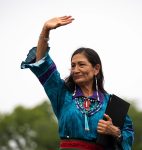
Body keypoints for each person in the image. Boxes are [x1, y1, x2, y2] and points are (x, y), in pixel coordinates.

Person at [21, 16, 134, 150]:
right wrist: (45, 30)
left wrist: (114, 131)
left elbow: (128, 135)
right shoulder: (62, 94)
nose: (76, 70)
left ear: (96, 69)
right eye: (73, 65)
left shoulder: (112, 104)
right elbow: (42, 63)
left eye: (81, 65)